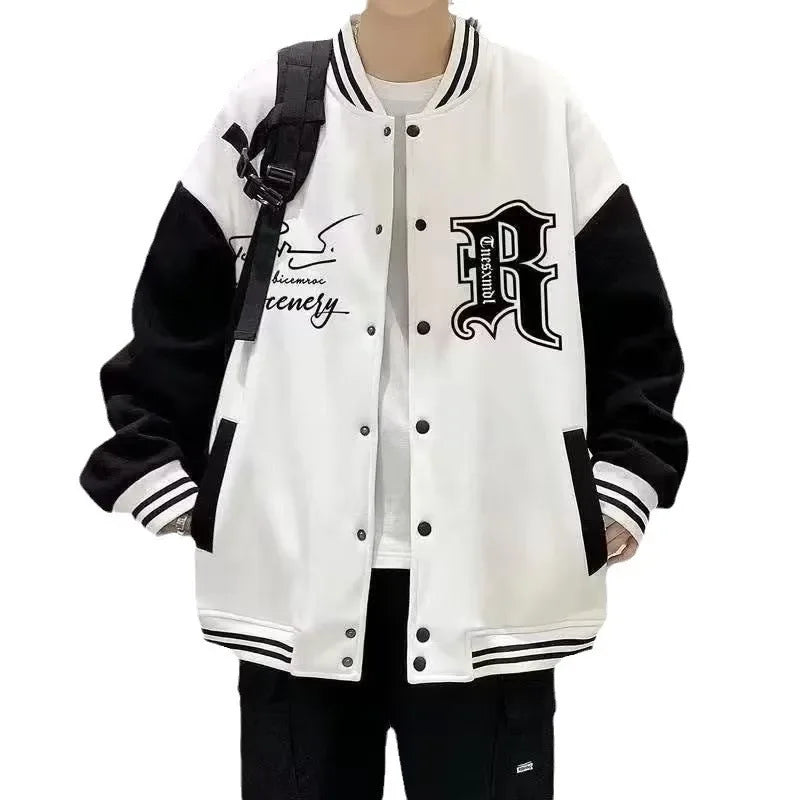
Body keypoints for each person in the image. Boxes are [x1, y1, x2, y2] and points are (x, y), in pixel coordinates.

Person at [79, 1, 687, 797]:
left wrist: (623, 479)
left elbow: (633, 326)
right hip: (295, 583)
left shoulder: (541, 110)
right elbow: (175, 313)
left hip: (496, 584)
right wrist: (172, 476)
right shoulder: (269, 103)